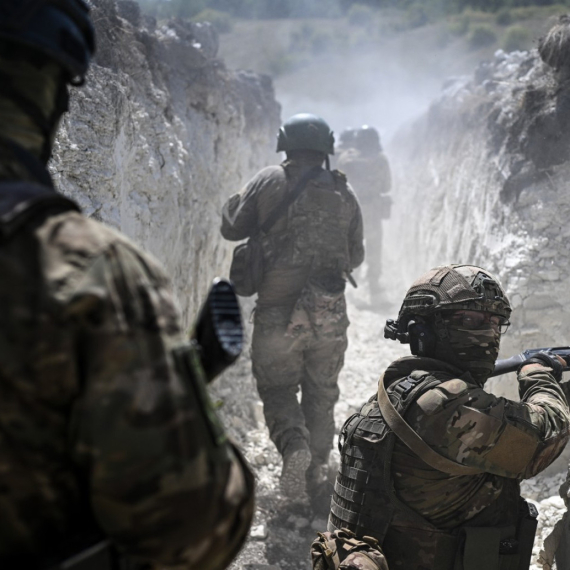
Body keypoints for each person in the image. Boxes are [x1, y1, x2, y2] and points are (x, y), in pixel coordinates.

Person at [0, 1, 253, 569]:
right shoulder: (88, 269)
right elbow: (189, 529)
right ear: (53, 96)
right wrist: (186, 395)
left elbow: (237, 224)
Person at [327, 264, 570, 569]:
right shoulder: (442, 404)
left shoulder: (400, 390)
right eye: (470, 319)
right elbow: (545, 437)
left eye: (496, 321)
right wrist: (539, 377)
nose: (490, 333)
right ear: (423, 330)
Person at [221, 113, 364, 500]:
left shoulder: (269, 179)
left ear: (286, 144)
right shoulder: (344, 194)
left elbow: (231, 227)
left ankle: (294, 448)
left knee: (279, 389)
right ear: (326, 150)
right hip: (329, 313)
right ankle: (316, 470)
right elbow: (356, 256)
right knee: (322, 391)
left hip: (278, 314)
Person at [337, 126, 391, 304]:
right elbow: (386, 186)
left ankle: (350, 288)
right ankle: (374, 288)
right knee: (374, 250)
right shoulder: (380, 159)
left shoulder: (346, 158)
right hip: (373, 211)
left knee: (352, 248)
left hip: (351, 212)